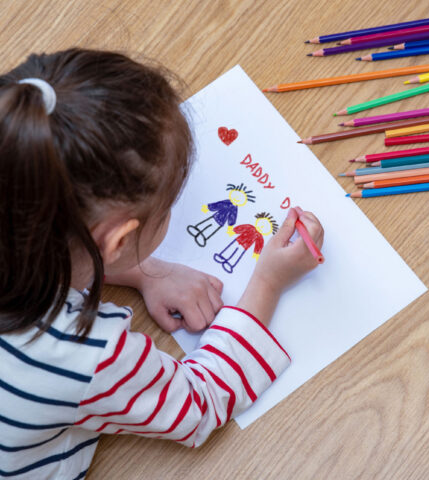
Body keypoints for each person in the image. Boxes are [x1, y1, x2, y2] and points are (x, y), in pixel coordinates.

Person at [0, 48, 324, 480]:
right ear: (114, 240)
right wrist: (267, 281)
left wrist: (141, 270)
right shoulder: (85, 357)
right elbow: (199, 404)